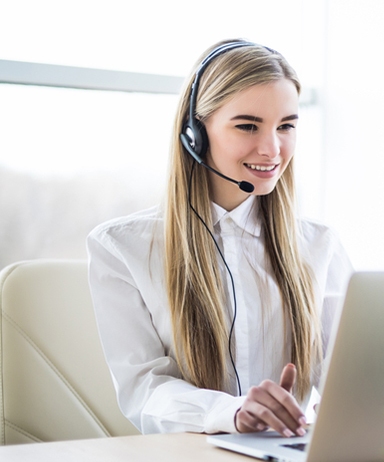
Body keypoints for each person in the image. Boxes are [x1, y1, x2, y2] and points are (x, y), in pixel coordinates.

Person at [86, 39, 353, 437]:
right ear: (195, 133)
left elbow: (350, 373)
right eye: (248, 125)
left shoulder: (320, 245)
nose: (272, 148)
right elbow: (142, 388)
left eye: (286, 126)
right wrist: (228, 412)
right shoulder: (123, 248)